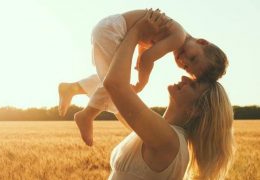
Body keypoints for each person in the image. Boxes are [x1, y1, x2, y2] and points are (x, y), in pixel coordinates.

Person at [58, 8, 228, 146]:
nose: (183, 60)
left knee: (110, 78)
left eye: (186, 67)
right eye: (193, 58)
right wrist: (142, 82)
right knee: (117, 83)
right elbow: (148, 58)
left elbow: (144, 45)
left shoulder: (175, 32)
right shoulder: (178, 37)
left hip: (109, 28)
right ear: (202, 42)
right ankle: (87, 115)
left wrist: (139, 59)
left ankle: (71, 88)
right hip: (113, 32)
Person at [102, 10, 235, 180]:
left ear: (196, 110)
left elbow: (114, 85)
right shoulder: (164, 135)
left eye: (193, 85)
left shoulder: (169, 141)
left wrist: (136, 32)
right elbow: (117, 102)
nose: (184, 77)